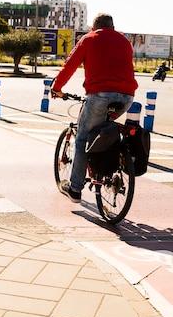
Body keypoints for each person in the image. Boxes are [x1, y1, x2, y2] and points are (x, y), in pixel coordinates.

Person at [51, 13, 138, 203]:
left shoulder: (89, 39)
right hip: (127, 97)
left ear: (93, 28)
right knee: (106, 130)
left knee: (82, 137)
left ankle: (75, 189)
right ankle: (107, 173)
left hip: (99, 96)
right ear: (113, 27)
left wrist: (57, 88)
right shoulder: (124, 41)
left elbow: (70, 65)